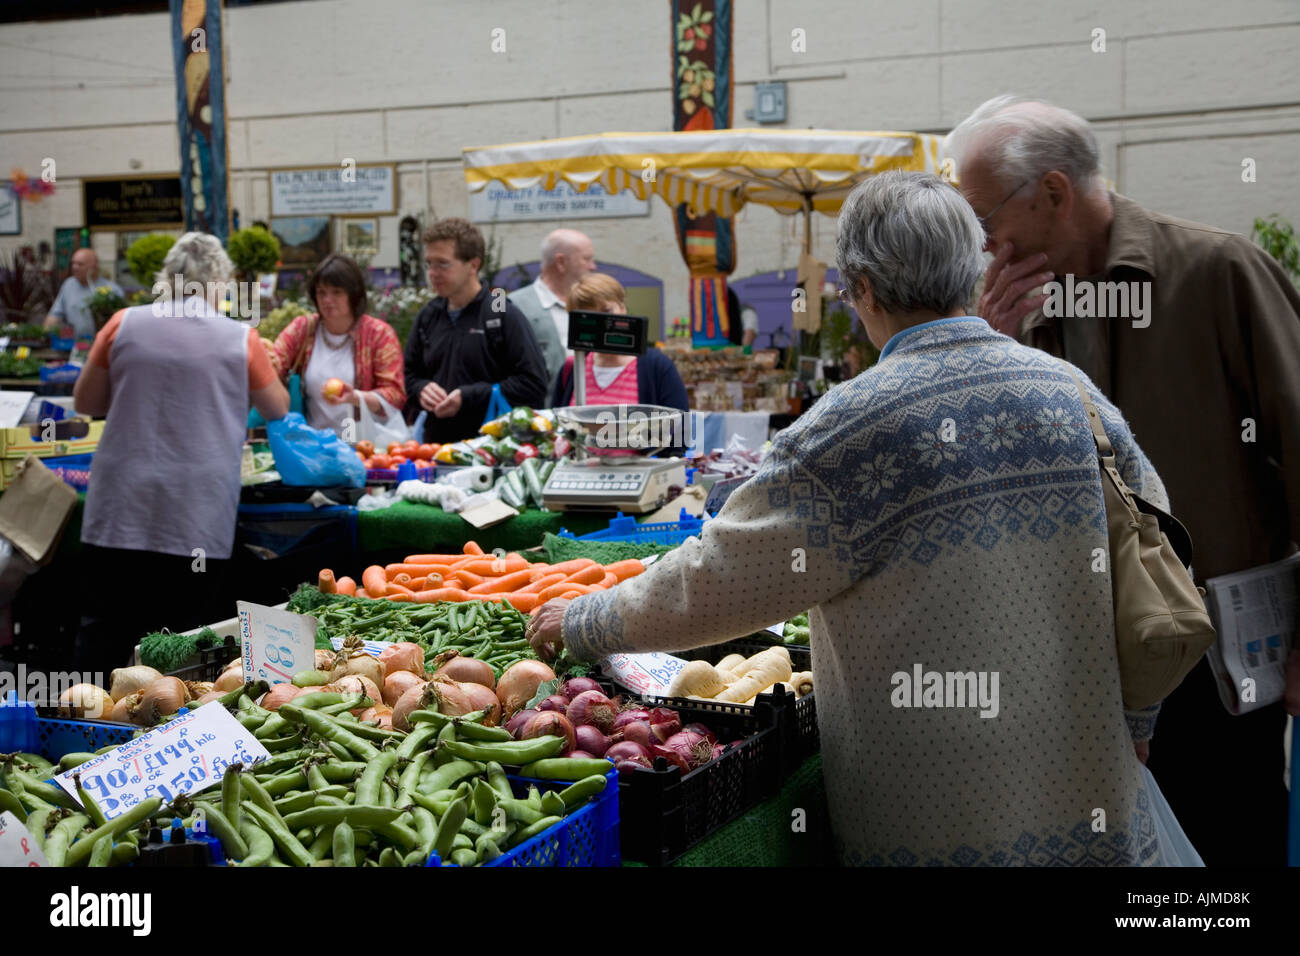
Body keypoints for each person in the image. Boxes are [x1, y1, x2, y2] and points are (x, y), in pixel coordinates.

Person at [528, 171, 1196, 866]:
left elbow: (721, 578)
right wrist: (1140, 716)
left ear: (863, 289)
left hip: (933, 806)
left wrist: (588, 620)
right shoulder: (1072, 391)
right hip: (1088, 783)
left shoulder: (850, 428)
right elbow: (1157, 556)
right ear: (973, 269)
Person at [946, 94, 1300, 867]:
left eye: (980, 215)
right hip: (1078, 661)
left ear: (1052, 193)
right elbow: (974, 474)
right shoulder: (1011, 310)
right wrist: (986, 350)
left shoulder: (1215, 270)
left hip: (1217, 654)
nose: (978, 242)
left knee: (1229, 834)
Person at [71, 232, 289, 673]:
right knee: (184, 640)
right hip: (196, 514)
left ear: (166, 277)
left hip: (120, 509)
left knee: (105, 630)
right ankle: (169, 726)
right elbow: (277, 408)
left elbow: (86, 403)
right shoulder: (240, 339)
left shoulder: (121, 324)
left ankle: (87, 720)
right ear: (220, 282)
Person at [404, 218, 548, 444]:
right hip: (436, 452)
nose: (432, 273)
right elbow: (408, 374)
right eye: (429, 263)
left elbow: (534, 384)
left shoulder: (500, 310)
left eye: (442, 264)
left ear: (473, 265)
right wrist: (421, 389)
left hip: (491, 453)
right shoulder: (428, 315)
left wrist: (469, 396)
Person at [268, 253, 406, 437]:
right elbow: (274, 362)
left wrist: (355, 397)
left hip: (361, 444)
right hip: (315, 443)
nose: (327, 300)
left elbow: (395, 394)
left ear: (354, 295)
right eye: (321, 292)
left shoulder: (379, 334)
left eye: (337, 292)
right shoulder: (303, 329)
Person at [552, 273, 690, 456]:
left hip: (639, 476)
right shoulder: (572, 368)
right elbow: (557, 428)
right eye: (588, 317)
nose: (600, 324)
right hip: (581, 477)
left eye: (606, 312)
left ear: (622, 308)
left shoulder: (656, 366)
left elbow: (679, 432)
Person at [509, 228, 595, 388]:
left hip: (586, 410)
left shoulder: (593, 306)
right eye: (587, 259)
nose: (593, 266)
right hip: (538, 411)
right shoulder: (515, 307)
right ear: (561, 262)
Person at [44, 248, 124, 337]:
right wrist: (45, 334)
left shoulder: (112, 290)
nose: (74, 267)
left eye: (80, 264)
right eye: (73, 263)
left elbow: (122, 323)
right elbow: (55, 314)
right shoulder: (69, 285)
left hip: (102, 345)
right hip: (73, 345)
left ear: (94, 266)